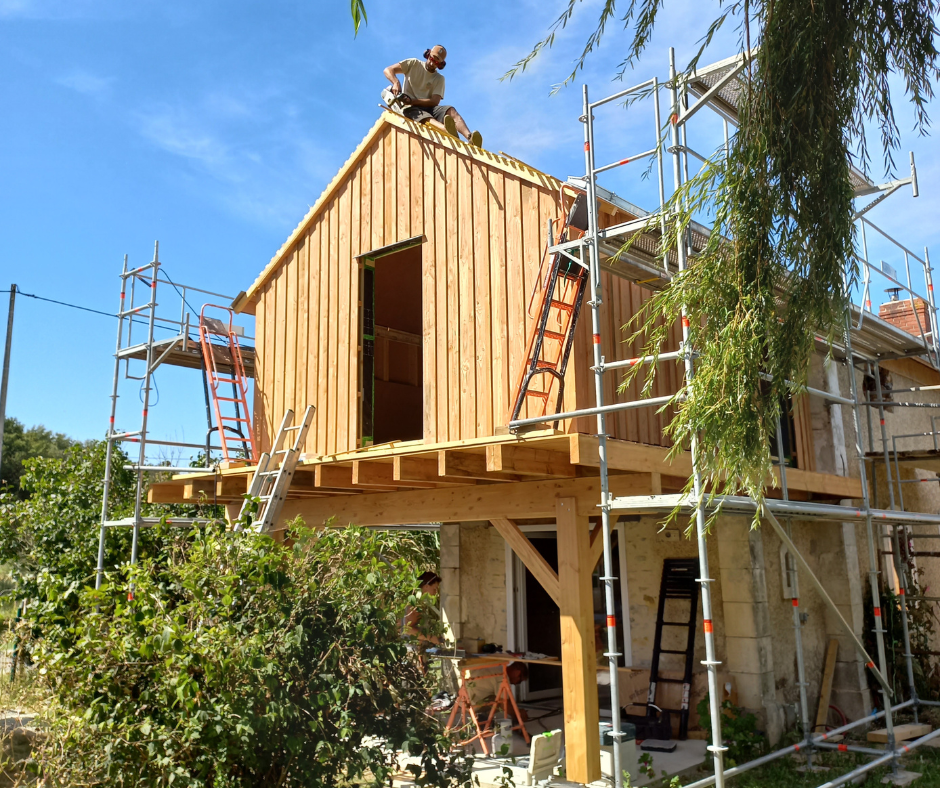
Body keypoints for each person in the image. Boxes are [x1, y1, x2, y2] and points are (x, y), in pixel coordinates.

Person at [383, 46, 483, 148]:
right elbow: (388, 70)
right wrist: (396, 83)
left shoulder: (439, 79)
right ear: (428, 55)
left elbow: (434, 101)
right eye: (431, 58)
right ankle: (448, 131)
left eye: (436, 62)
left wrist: (412, 101)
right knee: (426, 118)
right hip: (410, 109)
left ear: (440, 64)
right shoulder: (413, 64)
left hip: (428, 107)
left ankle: (470, 137)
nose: (432, 63)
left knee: (451, 110)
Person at [402, 570, 442, 647]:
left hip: (419, 649)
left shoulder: (421, 604)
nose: (436, 592)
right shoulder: (415, 605)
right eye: (434, 588)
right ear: (426, 586)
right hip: (412, 649)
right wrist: (430, 638)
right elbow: (407, 629)